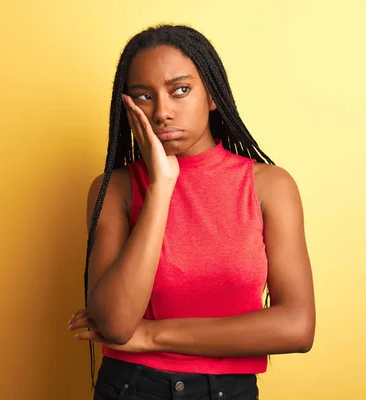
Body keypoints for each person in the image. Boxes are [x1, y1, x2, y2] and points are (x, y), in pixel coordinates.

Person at [68, 24, 316, 400]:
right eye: (144, 96)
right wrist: (161, 185)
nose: (162, 112)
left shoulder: (270, 186)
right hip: (130, 388)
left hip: (228, 392)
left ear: (212, 95)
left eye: (180, 90)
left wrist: (153, 334)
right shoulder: (115, 188)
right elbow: (117, 326)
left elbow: (297, 327)